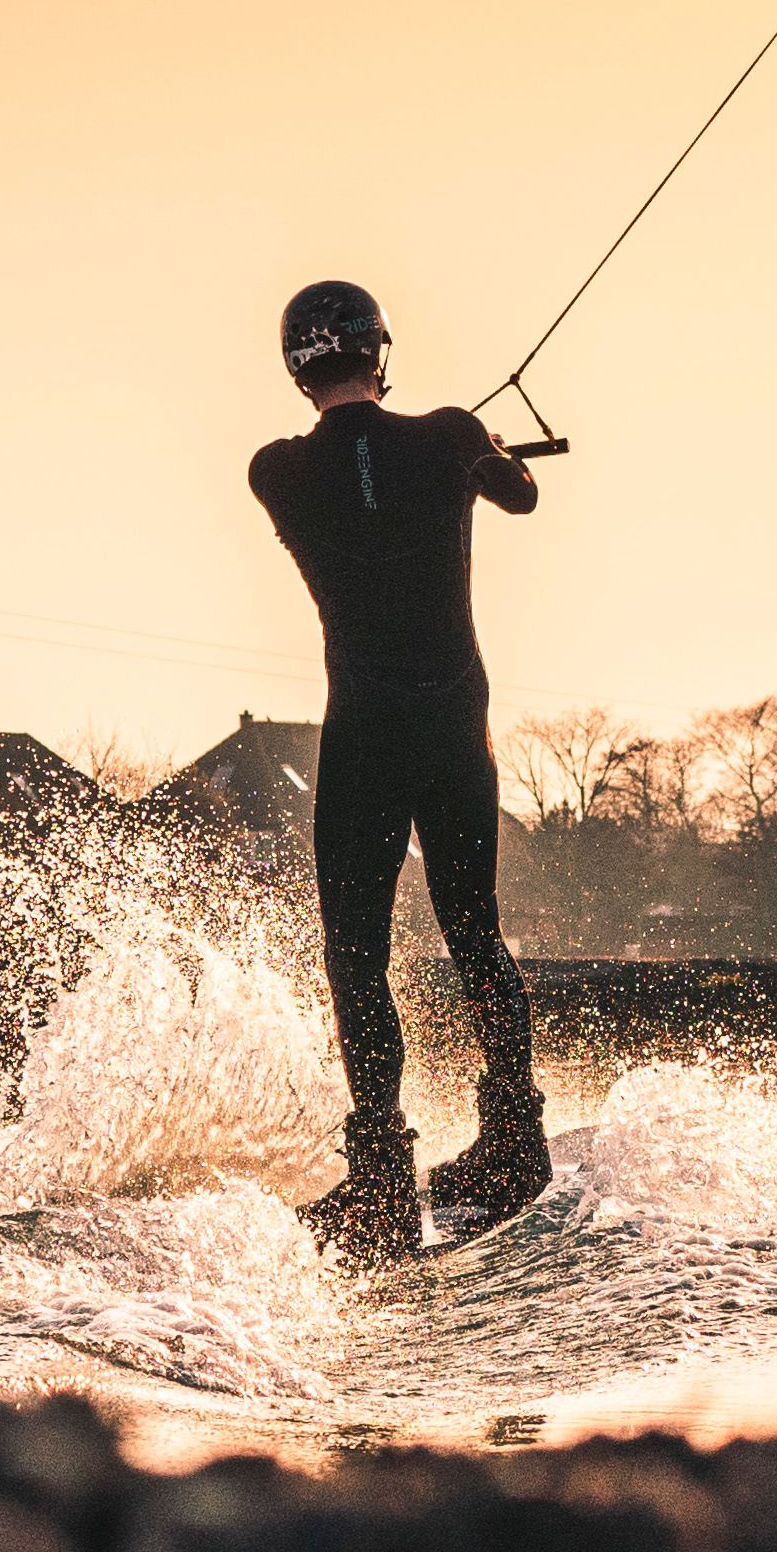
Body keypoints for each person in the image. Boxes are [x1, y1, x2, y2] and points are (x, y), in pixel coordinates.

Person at [245, 277, 546, 1258]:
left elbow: (359, 469)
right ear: (380, 349)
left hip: (365, 732)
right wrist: (480, 449)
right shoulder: (453, 433)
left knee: (356, 952)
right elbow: (522, 493)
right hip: (457, 726)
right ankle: (512, 1138)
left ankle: (380, 1174)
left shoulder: (275, 470)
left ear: (298, 369)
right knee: (474, 929)